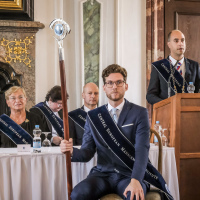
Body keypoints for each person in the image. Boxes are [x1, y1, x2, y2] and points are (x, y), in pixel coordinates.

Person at [60, 64, 150, 200]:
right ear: (104, 88)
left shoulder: (139, 113)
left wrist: (136, 179)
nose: (114, 87)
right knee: (78, 194)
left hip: (129, 174)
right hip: (103, 174)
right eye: (110, 83)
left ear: (126, 86)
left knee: (134, 196)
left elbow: (142, 150)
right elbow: (87, 152)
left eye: (119, 82)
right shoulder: (94, 116)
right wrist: (71, 151)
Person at [146, 29, 200, 105]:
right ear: (169, 44)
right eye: (176, 41)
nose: (180, 44)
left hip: (189, 113)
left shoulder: (194, 66)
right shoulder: (159, 66)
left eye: (182, 40)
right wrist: (167, 104)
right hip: (167, 113)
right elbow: (150, 96)